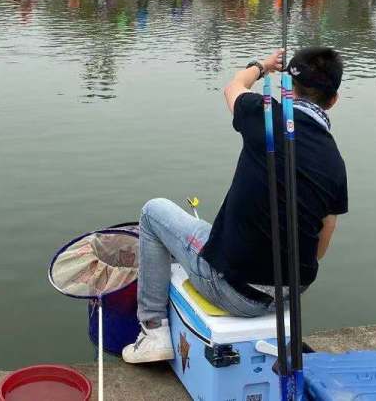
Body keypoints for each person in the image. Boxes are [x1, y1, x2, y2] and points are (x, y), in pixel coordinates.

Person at [122, 47, 348, 363]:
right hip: (289, 295)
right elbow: (321, 245)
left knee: (153, 212)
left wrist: (262, 66)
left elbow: (233, 87)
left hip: (234, 292)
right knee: (213, 230)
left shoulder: (263, 115)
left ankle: (153, 330)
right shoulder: (335, 162)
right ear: (333, 100)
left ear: (288, 86)